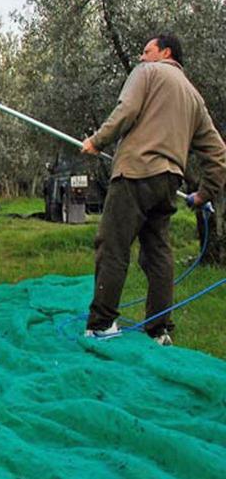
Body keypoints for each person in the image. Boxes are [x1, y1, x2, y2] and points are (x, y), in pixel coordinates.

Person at [81, 32, 226, 346]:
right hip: (168, 181)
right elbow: (217, 152)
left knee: (113, 246)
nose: (141, 57)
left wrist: (97, 140)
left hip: (135, 173)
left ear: (165, 52)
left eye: (147, 51)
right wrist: (204, 193)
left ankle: (102, 324)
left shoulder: (147, 73)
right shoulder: (193, 96)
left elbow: (127, 110)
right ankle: (159, 330)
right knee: (157, 253)